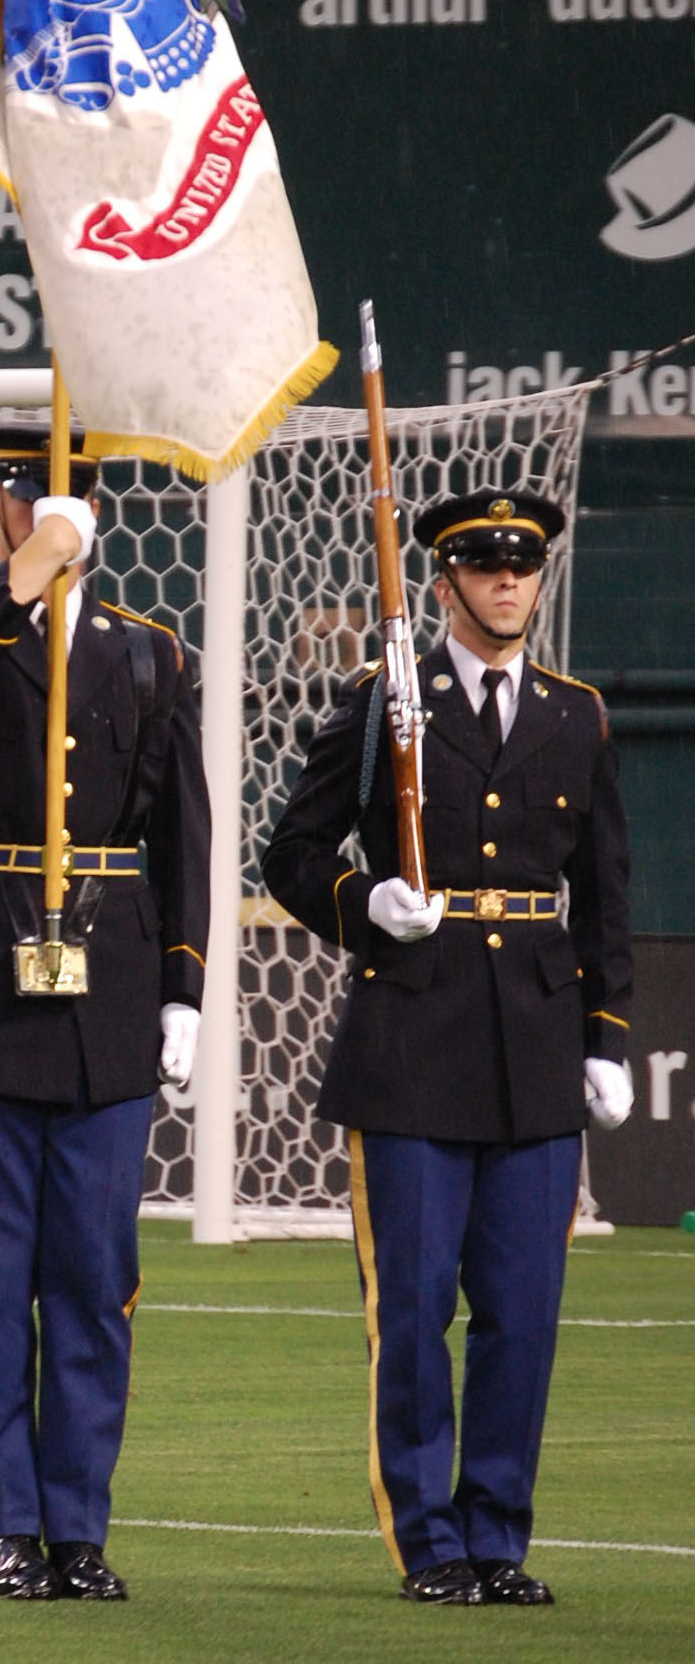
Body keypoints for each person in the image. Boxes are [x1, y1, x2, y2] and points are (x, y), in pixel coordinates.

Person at [263, 489, 633, 1607]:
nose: (508, 583)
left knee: (522, 1315)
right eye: (483, 567)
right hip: (411, 1039)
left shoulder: (576, 714)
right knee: (415, 1305)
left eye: (522, 566)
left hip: (532, 1041)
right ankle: (429, 1541)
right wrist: (363, 900)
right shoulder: (386, 704)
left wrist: (606, 1035)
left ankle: (497, 1537)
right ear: (442, 583)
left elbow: (606, 894)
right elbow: (288, 853)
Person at [0, 419, 210, 1602]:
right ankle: (10, 1522)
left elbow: (184, 834)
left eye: (65, 504)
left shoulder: (150, 654)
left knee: (93, 1276)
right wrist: (23, 573)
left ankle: (79, 1526)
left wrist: (183, 988)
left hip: (107, 983)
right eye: (25, 500)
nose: (49, 518)